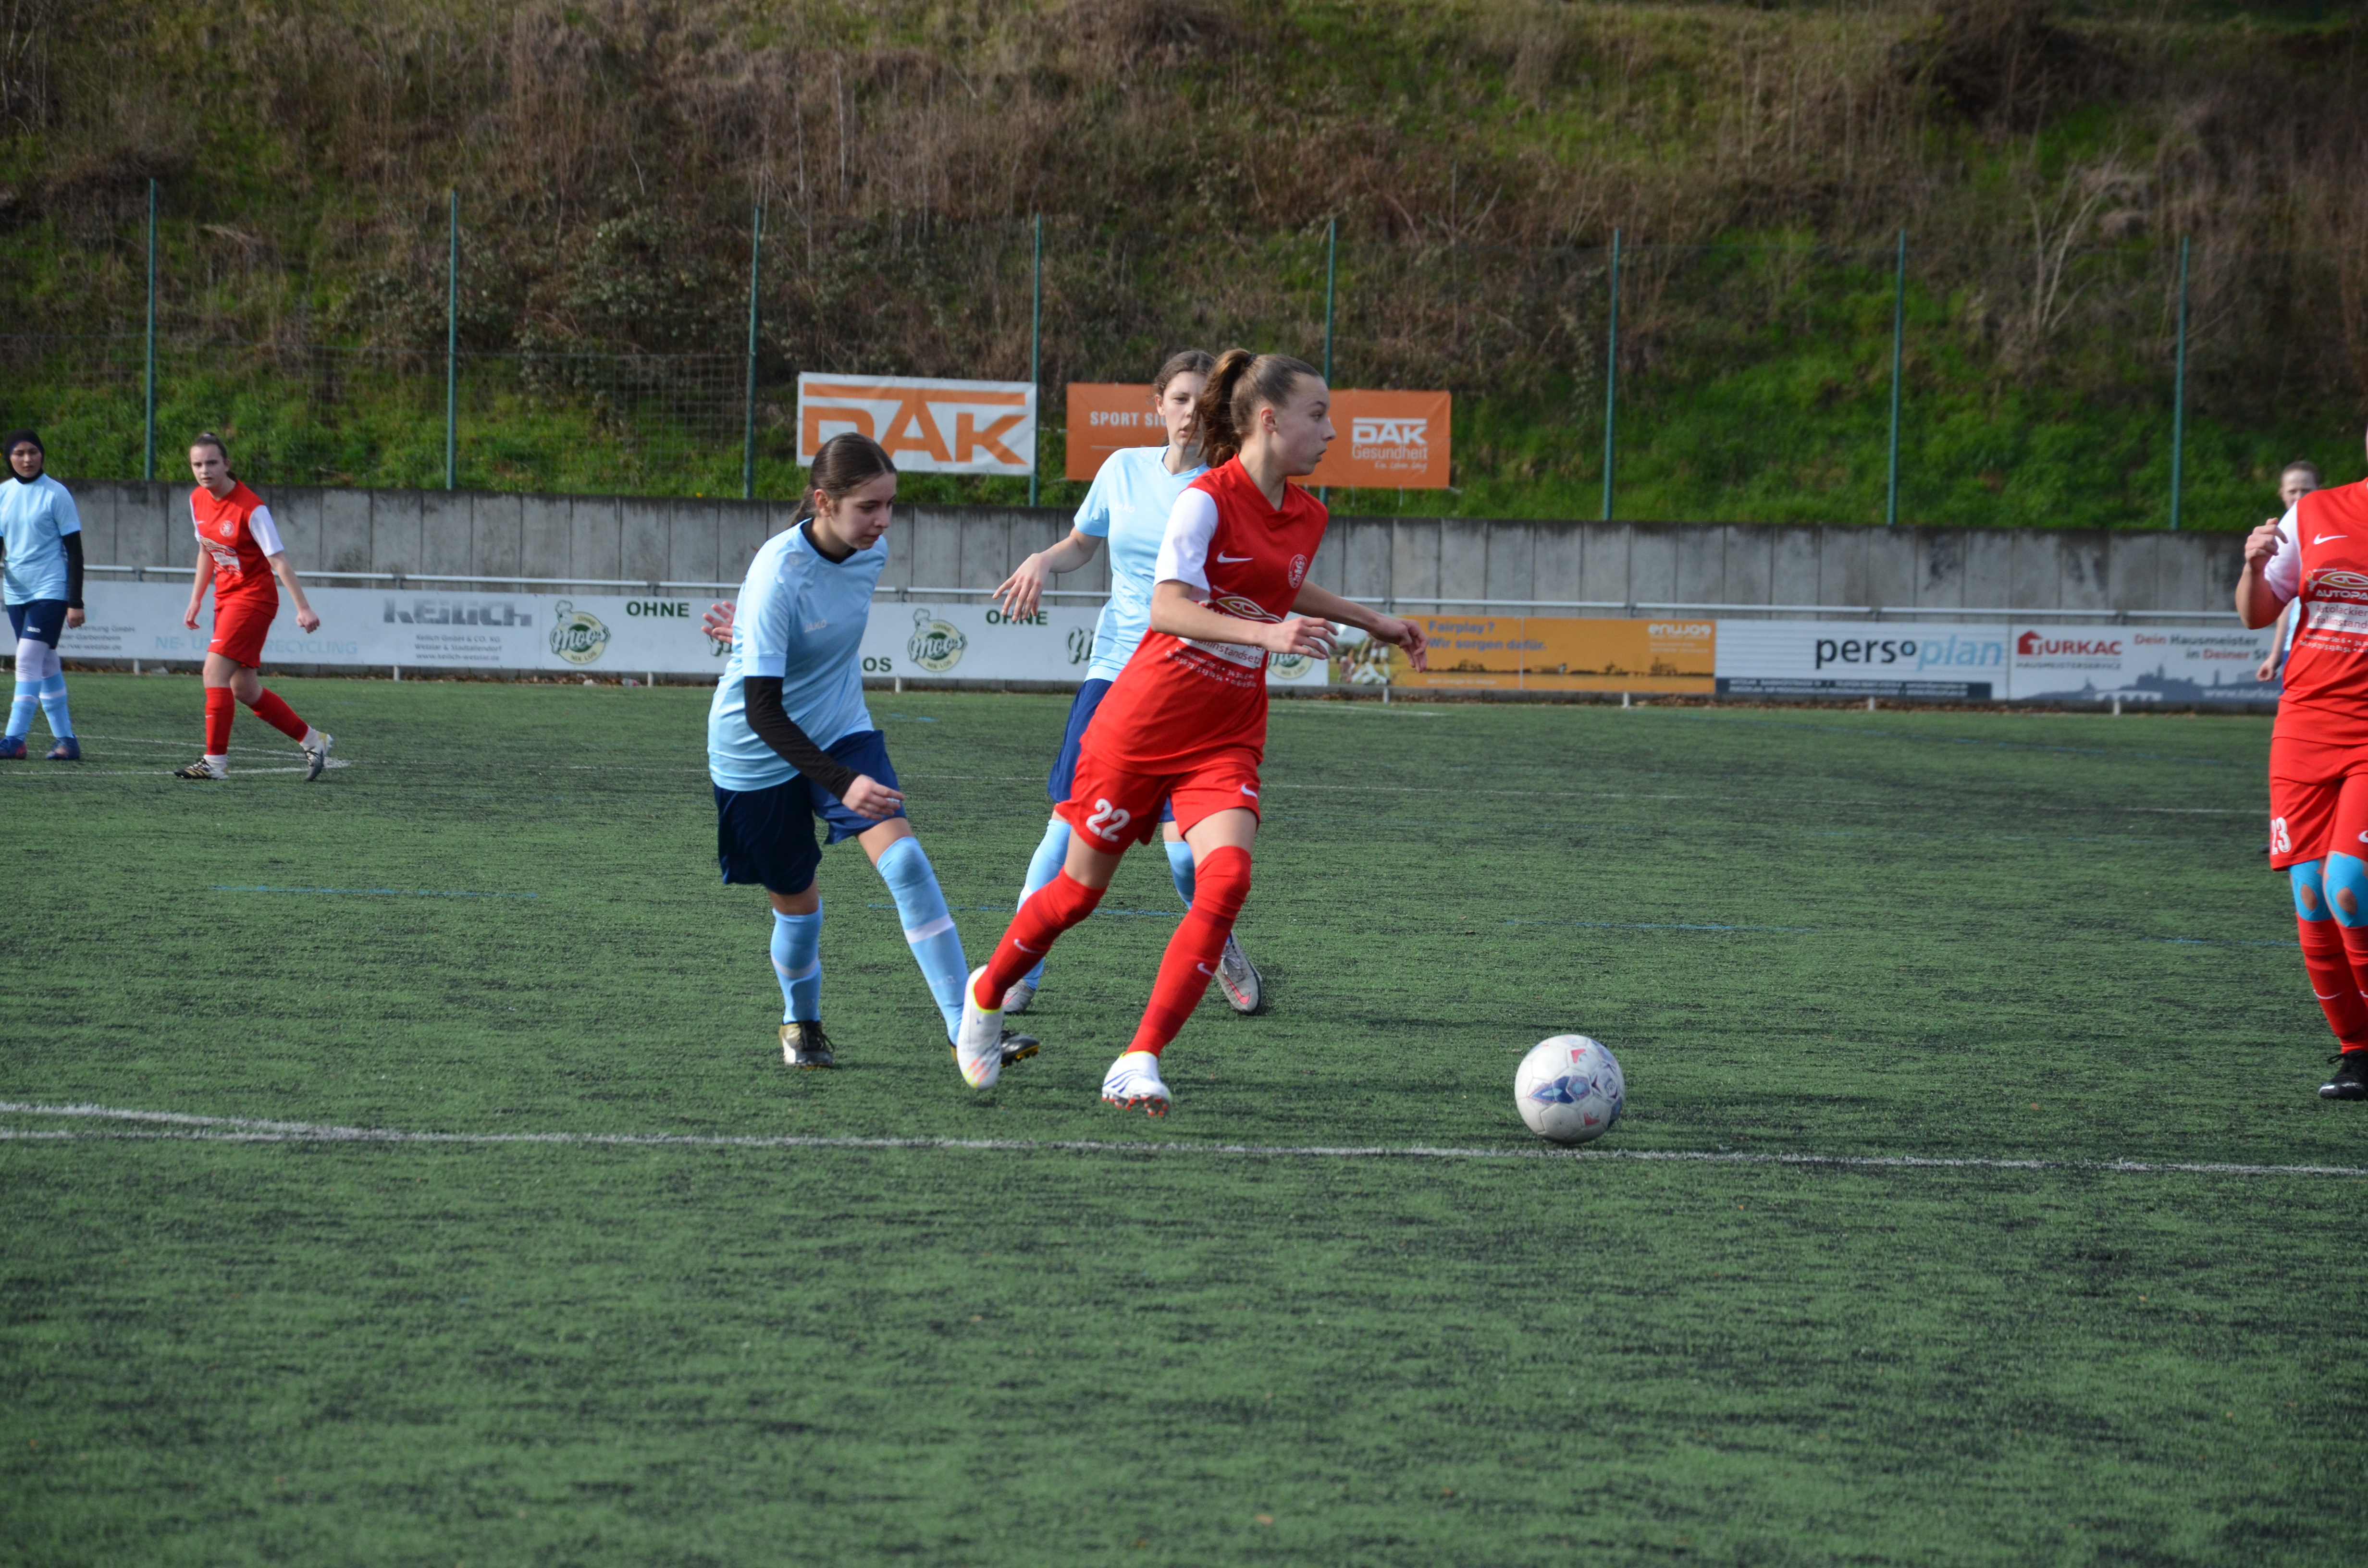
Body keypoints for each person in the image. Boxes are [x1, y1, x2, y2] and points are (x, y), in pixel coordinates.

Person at [951, 349, 1430, 1112]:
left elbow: (1276, 576)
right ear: (1269, 420)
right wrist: (1272, 636)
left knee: (1227, 879)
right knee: (1076, 894)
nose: (1332, 433)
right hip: (1143, 722)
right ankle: (988, 990)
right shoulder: (1204, 499)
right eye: (1319, 415)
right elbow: (1168, 607)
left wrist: (1374, 620)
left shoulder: (1310, 513)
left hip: (1227, 731)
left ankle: (1138, 1057)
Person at [709, 431, 1033, 1071]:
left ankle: (967, 1031)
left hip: (840, 728)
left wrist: (748, 629)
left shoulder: (869, 553)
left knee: (907, 862)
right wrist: (842, 782)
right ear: (824, 502)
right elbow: (763, 709)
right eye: (868, 508)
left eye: (890, 506)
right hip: (756, 752)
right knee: (800, 908)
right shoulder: (778, 571)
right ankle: (801, 1022)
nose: (882, 523)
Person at [990, 349, 1268, 1018]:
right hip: (1115, 674)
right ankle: (1021, 968)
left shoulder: (1232, 489)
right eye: (1178, 399)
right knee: (1064, 833)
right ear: (1158, 405)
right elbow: (1084, 542)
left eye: (1202, 403)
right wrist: (1043, 559)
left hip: (1190, 686)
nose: (1187, 414)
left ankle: (1221, 941)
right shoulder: (1122, 469)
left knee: (1184, 862)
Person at [2238, 430, 2368, 1099]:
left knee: (2351, 883)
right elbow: (2259, 613)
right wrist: (2254, 566)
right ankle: (2358, 1054)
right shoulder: (2315, 512)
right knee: (2312, 893)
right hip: (2306, 726)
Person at [0, 429, 83, 761]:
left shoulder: (56, 494)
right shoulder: (3, 493)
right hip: (16, 592)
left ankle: (14, 740)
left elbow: (75, 552)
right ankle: (67, 741)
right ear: (9, 458)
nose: (27, 459)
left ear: (42, 455)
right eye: (19, 453)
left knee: (26, 660)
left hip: (50, 589)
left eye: (33, 452)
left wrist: (75, 601)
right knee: (46, 661)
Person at [2257, 461, 2323, 685]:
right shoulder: (2282, 534)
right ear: (2282, 493)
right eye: (2292, 491)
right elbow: (2284, 600)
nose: (2299, 497)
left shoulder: (2331, 531)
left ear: (2320, 490)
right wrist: (2276, 654)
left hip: (2330, 648)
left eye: (2306, 490)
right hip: (2296, 646)